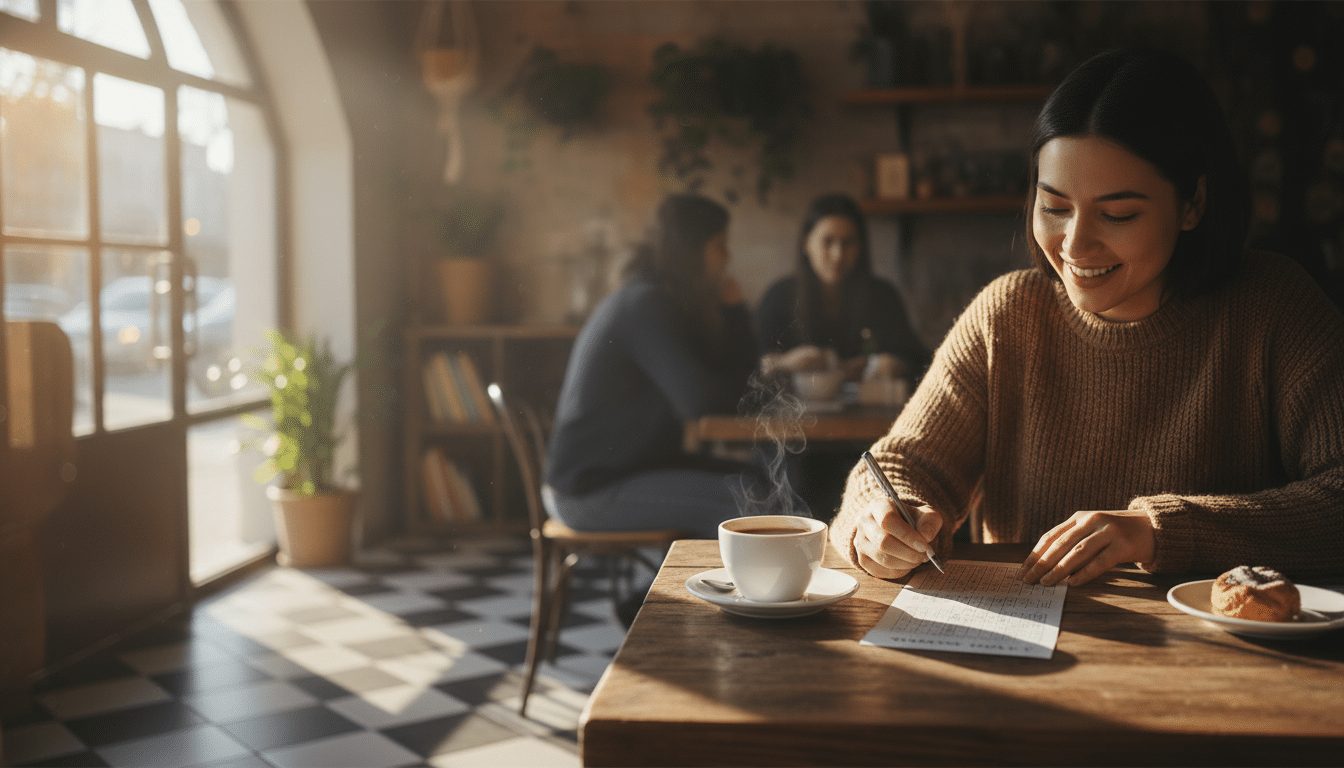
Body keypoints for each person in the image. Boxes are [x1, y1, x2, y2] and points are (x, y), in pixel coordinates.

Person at [831, 47, 1344, 588]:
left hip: (1219, 637)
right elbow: (903, 466)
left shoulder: (1274, 306)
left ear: (1193, 202)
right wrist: (880, 522)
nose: (1075, 245)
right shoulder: (1008, 316)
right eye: (1054, 207)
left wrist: (1157, 530)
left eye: (1117, 214)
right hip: (1027, 636)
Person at [544, 193, 761, 540]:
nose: (727, 258)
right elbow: (701, 401)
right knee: (750, 501)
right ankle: (699, 578)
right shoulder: (646, 305)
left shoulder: (650, 299)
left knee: (756, 482)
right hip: (587, 494)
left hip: (623, 474)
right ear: (692, 251)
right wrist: (734, 312)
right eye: (720, 246)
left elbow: (719, 382)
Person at [756, 193, 930, 382]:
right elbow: (749, 366)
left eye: (848, 243)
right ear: (806, 244)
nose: (838, 254)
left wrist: (895, 365)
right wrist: (783, 362)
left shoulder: (882, 296)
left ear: (861, 247)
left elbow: (920, 361)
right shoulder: (779, 297)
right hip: (795, 402)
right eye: (827, 241)